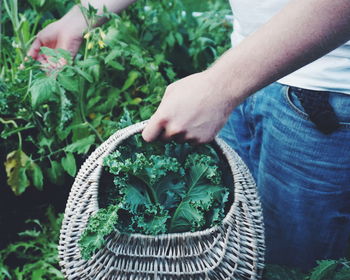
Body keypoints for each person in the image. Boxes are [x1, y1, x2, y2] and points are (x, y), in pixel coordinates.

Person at [29, 0, 350, 271]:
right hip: (248, 63)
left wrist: (221, 86)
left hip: (325, 93)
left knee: (293, 264)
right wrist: (84, 13)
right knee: (241, 245)